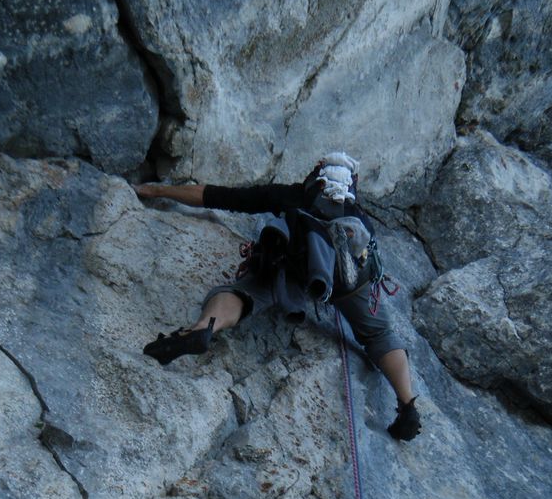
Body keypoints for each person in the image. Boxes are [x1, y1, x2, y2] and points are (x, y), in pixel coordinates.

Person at [133, 152, 421, 441]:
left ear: (316, 175)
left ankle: (201, 328)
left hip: (293, 262)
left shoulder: (291, 195)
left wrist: (158, 189)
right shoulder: (359, 217)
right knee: (380, 334)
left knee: (242, 293)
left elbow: (218, 196)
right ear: (352, 184)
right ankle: (407, 405)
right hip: (349, 280)